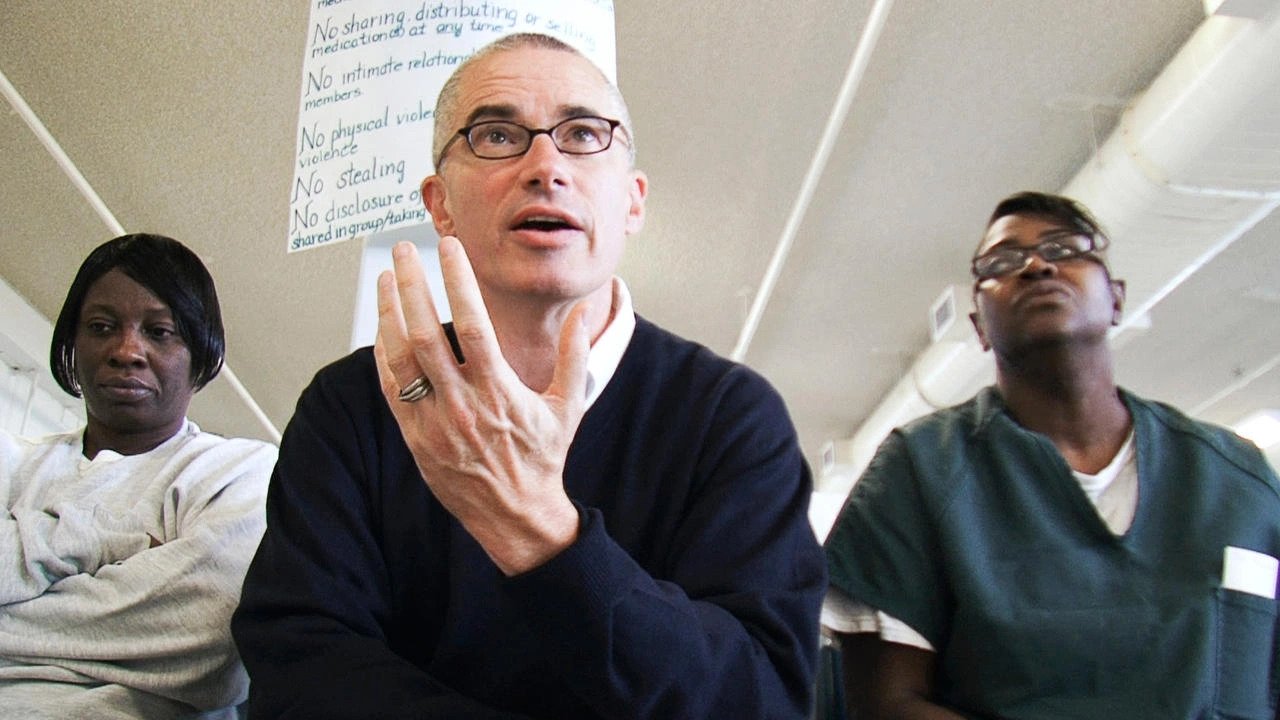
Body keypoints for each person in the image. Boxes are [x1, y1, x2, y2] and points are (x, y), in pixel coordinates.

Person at [232, 32, 825, 719]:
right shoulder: (353, 404)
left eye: (583, 134)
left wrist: (539, 529)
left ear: (633, 201)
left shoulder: (731, 415)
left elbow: (761, 696)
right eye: (496, 135)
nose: (546, 166)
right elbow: (300, 667)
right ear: (440, 205)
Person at [823, 191, 1280, 719]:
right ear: (979, 326)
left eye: (1065, 249)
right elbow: (886, 705)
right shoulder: (922, 472)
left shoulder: (1239, 482)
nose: (1037, 266)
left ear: (1117, 299)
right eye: (1002, 262)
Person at [0, 233, 277, 719]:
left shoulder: (240, 472)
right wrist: (105, 541)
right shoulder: (11, 460)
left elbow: (211, 643)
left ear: (201, 353)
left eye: (160, 331)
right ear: (72, 343)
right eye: (101, 326)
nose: (127, 350)